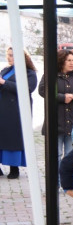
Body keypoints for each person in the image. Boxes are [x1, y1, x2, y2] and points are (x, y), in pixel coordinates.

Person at [38, 50, 73, 173]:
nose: (72, 63)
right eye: (68, 60)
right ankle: (55, 184)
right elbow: (43, 91)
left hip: (72, 123)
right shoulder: (50, 75)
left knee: (70, 155)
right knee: (55, 155)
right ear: (61, 61)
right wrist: (62, 97)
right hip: (55, 122)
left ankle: (70, 184)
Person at [0, 47, 37, 179]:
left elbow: (28, 88)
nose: (10, 58)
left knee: (13, 139)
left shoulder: (29, 73)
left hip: (16, 111)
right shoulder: (5, 70)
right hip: (2, 109)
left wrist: (4, 82)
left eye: (13, 55)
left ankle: (14, 168)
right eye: (9, 55)